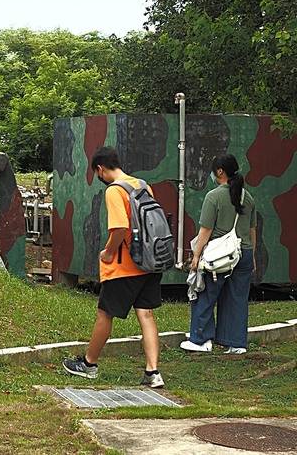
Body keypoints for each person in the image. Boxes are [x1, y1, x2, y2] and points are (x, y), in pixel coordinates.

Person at [63, 147, 165, 388]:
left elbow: (119, 228)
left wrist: (108, 252)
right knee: (146, 314)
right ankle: (153, 372)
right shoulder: (142, 185)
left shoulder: (114, 191)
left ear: (100, 169)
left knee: (104, 314)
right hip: (149, 262)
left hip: (125, 266)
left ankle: (89, 365)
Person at [181, 154, 257, 355]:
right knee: (237, 298)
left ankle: (201, 339)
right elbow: (252, 230)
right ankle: (236, 343)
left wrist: (196, 256)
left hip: (220, 256)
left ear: (220, 172)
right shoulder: (247, 197)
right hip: (245, 253)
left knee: (204, 293)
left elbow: (205, 231)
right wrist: (253, 256)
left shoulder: (214, 196)